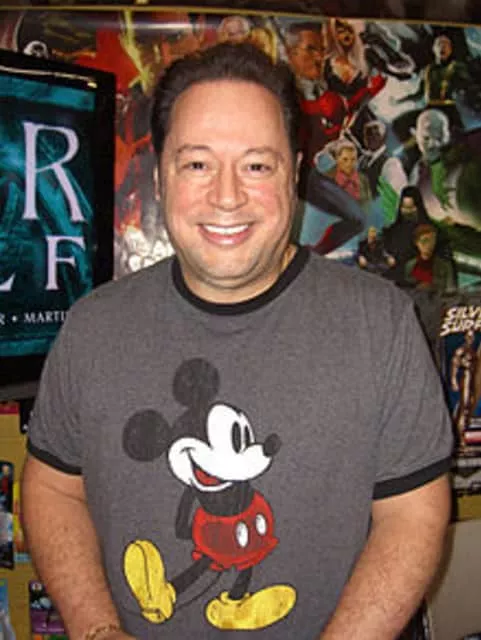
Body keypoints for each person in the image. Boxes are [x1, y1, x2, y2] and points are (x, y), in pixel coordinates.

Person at [22, 42, 452, 640]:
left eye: (256, 166)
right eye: (198, 164)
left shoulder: (381, 324)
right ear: (160, 175)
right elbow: (51, 488)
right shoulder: (91, 329)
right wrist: (97, 630)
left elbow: (413, 512)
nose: (227, 197)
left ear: (294, 173)